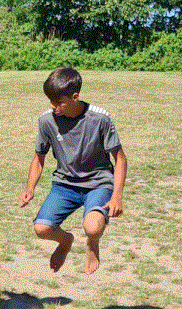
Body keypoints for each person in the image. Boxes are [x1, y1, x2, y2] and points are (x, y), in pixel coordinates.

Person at [18, 66, 128, 274]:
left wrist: (117, 197)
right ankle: (66, 241)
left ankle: (92, 243)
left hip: (98, 182)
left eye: (58, 102)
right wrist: (30, 189)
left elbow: (120, 159)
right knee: (41, 229)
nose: (53, 107)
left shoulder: (100, 119)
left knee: (93, 227)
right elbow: (38, 158)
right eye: (50, 101)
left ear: (75, 97)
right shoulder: (47, 121)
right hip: (65, 184)